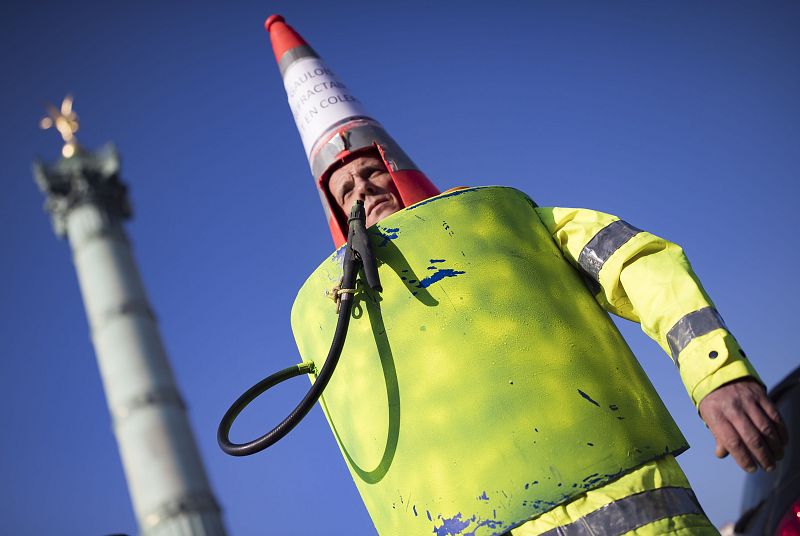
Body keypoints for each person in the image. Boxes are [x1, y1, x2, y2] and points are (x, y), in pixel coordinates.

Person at [264, 14, 788, 535]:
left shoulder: (511, 227)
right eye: (346, 188)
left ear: (394, 166)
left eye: (370, 170)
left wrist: (717, 373)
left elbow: (637, 263)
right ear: (336, 214)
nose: (362, 189)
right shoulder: (349, 323)